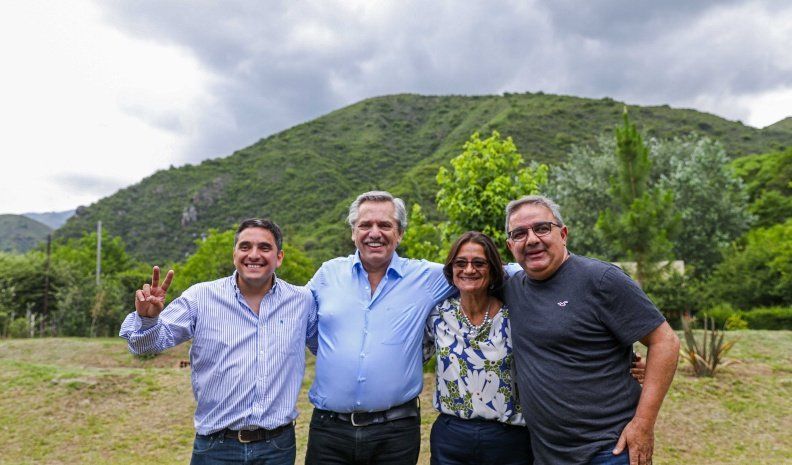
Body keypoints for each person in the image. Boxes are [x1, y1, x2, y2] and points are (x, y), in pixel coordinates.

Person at [119, 218, 317, 465]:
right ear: (234, 254)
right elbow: (143, 346)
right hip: (216, 447)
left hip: (276, 447)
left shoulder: (302, 301)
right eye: (245, 247)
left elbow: (328, 348)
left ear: (279, 257)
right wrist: (147, 319)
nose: (253, 254)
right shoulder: (201, 297)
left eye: (264, 248)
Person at [503, 195, 680, 465]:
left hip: (610, 450)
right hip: (548, 455)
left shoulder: (601, 280)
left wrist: (643, 424)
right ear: (510, 245)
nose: (532, 240)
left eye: (541, 228)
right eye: (519, 233)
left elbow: (665, 341)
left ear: (563, 234)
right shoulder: (512, 287)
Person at [304, 191, 455, 465]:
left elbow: (488, 272)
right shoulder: (328, 274)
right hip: (329, 432)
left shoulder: (428, 277)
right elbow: (292, 312)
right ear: (353, 232)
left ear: (400, 234)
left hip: (395, 433)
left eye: (385, 225)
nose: (375, 233)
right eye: (365, 225)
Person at [425, 231, 533, 465]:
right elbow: (407, 356)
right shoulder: (438, 315)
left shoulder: (514, 315)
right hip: (451, 436)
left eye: (479, 263)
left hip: (508, 438)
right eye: (461, 263)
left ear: (493, 270)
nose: (469, 270)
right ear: (451, 269)